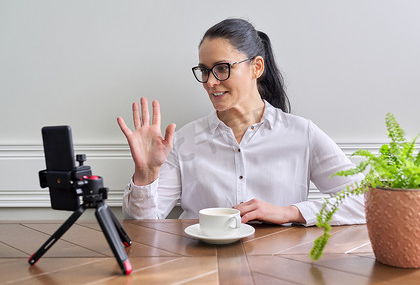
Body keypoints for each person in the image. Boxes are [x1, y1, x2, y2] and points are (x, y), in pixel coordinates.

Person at [117, 18, 365, 226]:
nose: (210, 82)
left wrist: (289, 212)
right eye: (204, 70)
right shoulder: (184, 141)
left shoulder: (302, 134)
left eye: (222, 68)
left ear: (256, 67)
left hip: (280, 266)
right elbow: (142, 228)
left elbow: (365, 201)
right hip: (198, 267)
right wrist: (146, 174)